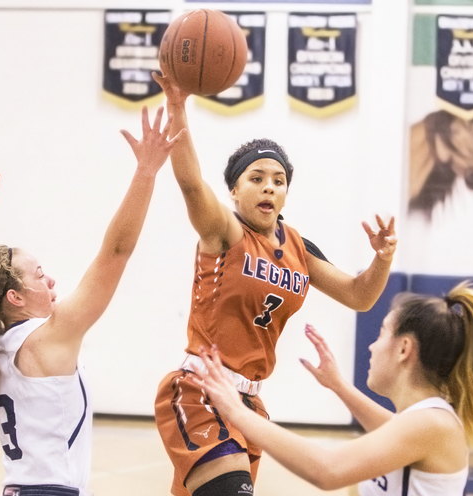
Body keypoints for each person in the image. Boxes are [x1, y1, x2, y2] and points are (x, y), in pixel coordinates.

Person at [151, 71, 398, 496]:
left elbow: (359, 296)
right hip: (201, 389)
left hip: (250, 402)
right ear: (234, 189)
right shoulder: (224, 231)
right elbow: (191, 184)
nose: (269, 187)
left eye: (278, 180)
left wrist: (383, 258)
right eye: (257, 178)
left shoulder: (299, 247)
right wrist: (177, 108)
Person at [0, 107, 184, 496]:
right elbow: (115, 252)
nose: (52, 279)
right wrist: (146, 172)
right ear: (16, 296)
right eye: (40, 274)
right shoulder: (48, 338)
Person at [193, 282, 473, 495]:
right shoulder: (424, 422)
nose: (372, 347)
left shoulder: (433, 425)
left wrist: (237, 411)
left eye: (382, 333)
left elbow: (327, 470)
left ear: (404, 349)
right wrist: (340, 387)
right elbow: (392, 430)